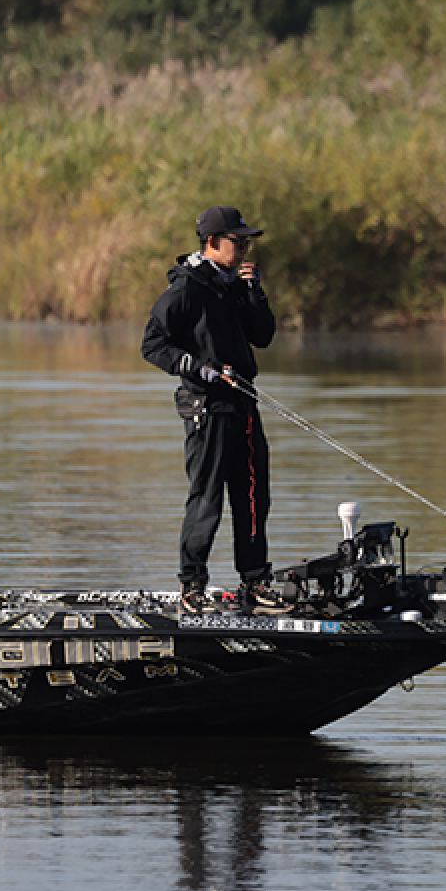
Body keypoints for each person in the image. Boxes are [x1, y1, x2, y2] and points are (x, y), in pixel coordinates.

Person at [142, 206, 278, 612]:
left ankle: (255, 582)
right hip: (207, 408)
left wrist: (254, 293)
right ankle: (192, 588)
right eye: (238, 242)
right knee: (207, 499)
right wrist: (200, 369)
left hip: (244, 405)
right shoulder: (186, 288)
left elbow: (264, 336)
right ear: (212, 243)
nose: (244, 248)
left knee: (254, 497)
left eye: (246, 241)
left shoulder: (236, 285)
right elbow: (153, 345)